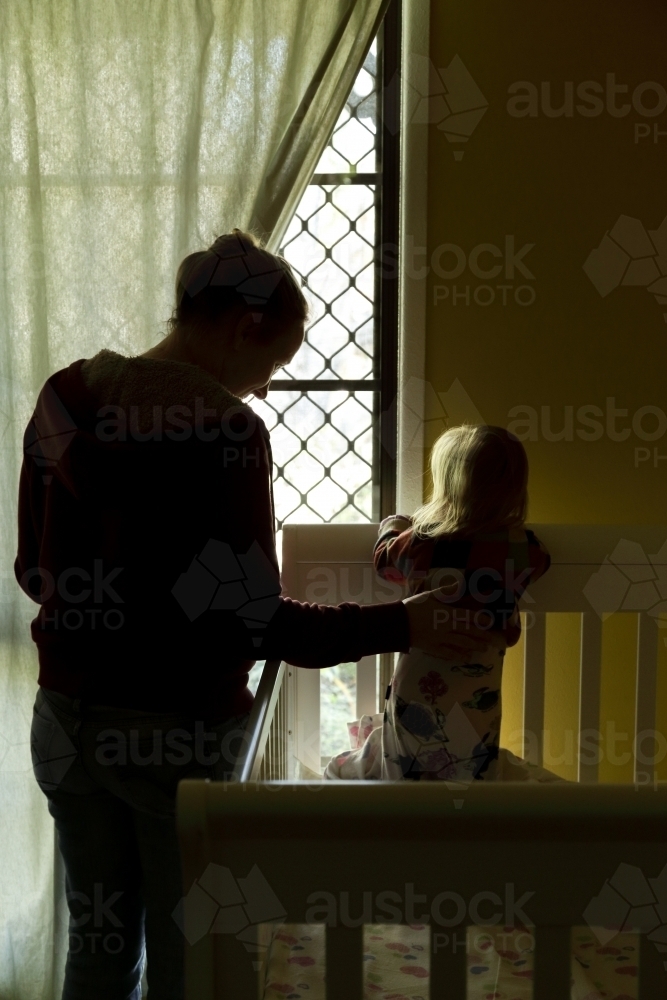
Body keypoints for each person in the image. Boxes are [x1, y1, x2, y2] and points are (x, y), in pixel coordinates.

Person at [16, 230, 493, 1000]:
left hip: (65, 721)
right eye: (274, 362)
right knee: (186, 957)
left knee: (99, 947)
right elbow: (255, 621)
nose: (267, 388)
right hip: (175, 737)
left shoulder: (63, 400)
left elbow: (32, 573)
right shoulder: (225, 434)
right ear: (244, 326)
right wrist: (403, 623)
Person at [325, 423, 560, 783]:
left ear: (448, 488)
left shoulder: (423, 543)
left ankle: (399, 807)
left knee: (408, 758)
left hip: (419, 684)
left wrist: (393, 524)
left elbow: (384, 561)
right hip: (477, 689)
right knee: (471, 760)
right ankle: (459, 823)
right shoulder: (523, 549)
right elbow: (543, 563)